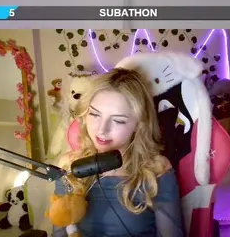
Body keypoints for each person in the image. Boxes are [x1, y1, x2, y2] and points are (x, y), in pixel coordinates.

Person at [52, 68, 184, 237]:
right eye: (95, 115)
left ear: (139, 125)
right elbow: (59, 231)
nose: (101, 130)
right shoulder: (68, 165)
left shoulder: (157, 169)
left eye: (118, 121)